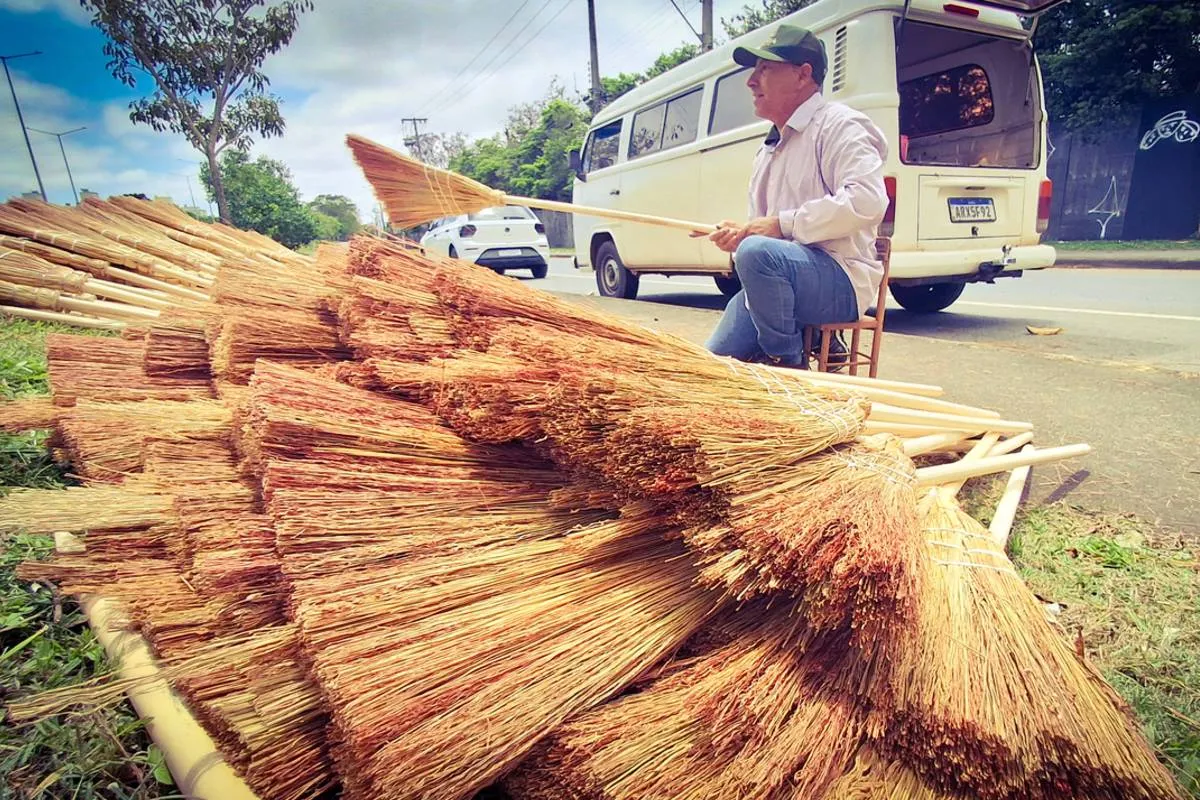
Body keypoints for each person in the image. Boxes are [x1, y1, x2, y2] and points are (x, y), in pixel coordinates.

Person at [700, 23, 890, 369]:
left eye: (765, 69)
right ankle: (804, 339)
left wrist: (776, 228)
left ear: (803, 75)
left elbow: (868, 201)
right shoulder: (768, 149)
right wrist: (742, 234)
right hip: (783, 282)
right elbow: (769, 234)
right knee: (709, 365)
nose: (751, 81)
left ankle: (788, 363)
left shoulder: (839, 126)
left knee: (758, 253)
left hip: (840, 279)